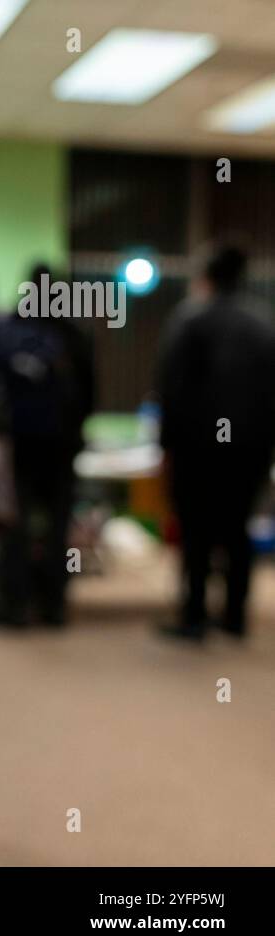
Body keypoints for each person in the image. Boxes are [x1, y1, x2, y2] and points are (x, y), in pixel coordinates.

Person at [157, 244, 275, 640]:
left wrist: (165, 445)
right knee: (238, 529)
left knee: (196, 532)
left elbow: (171, 390)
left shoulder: (191, 320)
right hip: (251, 449)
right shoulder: (264, 326)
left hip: (197, 448)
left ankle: (194, 615)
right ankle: (235, 617)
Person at [0, 264, 95, 629]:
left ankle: (13, 605)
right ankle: (54, 606)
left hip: (18, 445)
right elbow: (90, 395)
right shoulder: (74, 334)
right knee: (58, 526)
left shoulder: (9, 331)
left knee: (13, 525)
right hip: (62, 447)